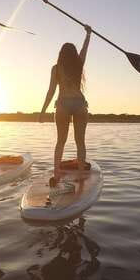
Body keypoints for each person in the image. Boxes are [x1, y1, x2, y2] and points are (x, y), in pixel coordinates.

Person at [39, 24, 92, 182]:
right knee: (80, 142)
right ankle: (81, 175)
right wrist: (88, 34)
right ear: (74, 54)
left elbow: (50, 91)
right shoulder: (78, 64)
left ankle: (56, 173)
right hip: (79, 103)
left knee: (60, 141)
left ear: (61, 54)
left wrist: (42, 111)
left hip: (62, 104)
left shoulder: (56, 68)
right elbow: (85, 49)